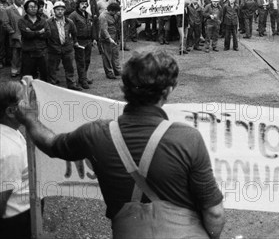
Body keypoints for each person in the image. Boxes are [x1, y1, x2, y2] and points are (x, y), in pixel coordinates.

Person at [15, 51, 225, 238]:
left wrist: (29, 119)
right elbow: (214, 212)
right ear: (168, 90)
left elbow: (51, 145)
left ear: (124, 87)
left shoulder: (95, 133)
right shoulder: (187, 137)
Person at [0, 81, 31, 239]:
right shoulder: (8, 150)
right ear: (11, 111)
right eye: (24, 100)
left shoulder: (10, 130)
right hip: (15, 221)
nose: (30, 104)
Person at [46, 1, 83, 90]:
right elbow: (46, 36)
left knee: (69, 67)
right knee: (52, 68)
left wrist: (75, 42)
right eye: (58, 9)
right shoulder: (48, 22)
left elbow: (74, 33)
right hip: (53, 48)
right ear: (54, 11)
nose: (60, 11)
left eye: (62, 9)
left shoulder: (69, 22)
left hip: (67, 48)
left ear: (64, 11)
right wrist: (49, 46)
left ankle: (72, 84)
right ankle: (52, 86)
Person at [19, 0, 50, 81]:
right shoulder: (22, 21)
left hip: (41, 51)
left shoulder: (43, 20)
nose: (34, 9)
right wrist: (39, 32)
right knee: (27, 76)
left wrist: (32, 32)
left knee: (44, 75)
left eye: (35, 7)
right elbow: (26, 35)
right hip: (28, 52)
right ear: (26, 9)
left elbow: (47, 33)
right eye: (31, 7)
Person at [69, 0, 95, 89]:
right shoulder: (73, 15)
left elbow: (91, 26)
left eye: (85, 3)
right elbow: (70, 30)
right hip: (79, 42)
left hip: (88, 41)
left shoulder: (87, 14)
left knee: (87, 60)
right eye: (82, 3)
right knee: (81, 62)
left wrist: (93, 39)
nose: (84, 5)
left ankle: (83, 77)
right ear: (78, 5)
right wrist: (74, 41)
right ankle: (83, 80)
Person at [98, 2, 121, 79]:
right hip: (106, 39)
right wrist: (109, 38)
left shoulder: (114, 14)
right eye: (115, 11)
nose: (116, 13)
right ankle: (109, 72)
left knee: (115, 54)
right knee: (107, 56)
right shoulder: (103, 16)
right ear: (111, 10)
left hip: (115, 37)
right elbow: (104, 29)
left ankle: (117, 70)